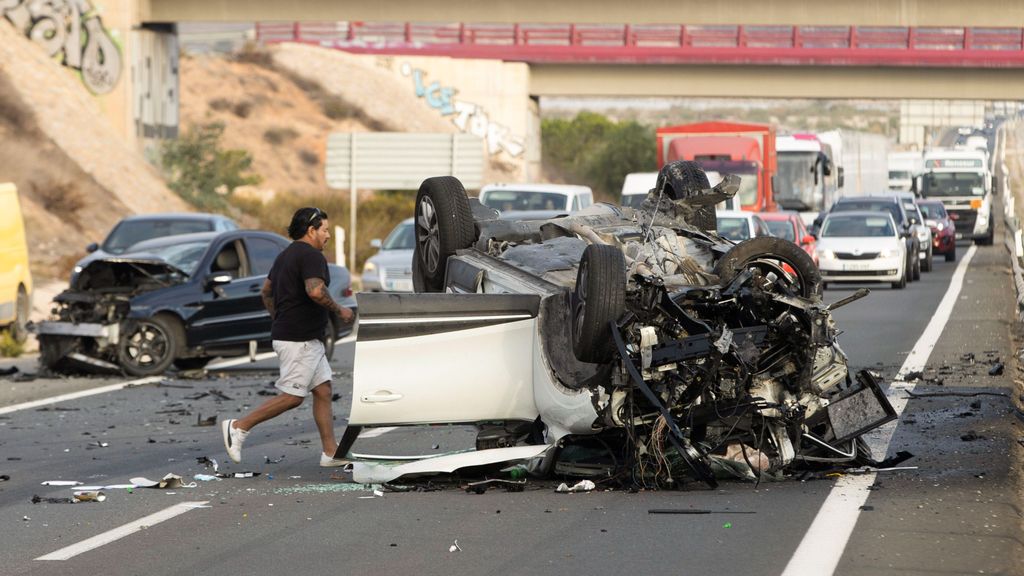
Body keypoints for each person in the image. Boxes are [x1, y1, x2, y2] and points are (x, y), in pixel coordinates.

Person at [221, 207, 355, 467]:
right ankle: (238, 427)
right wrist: (340, 310)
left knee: (324, 390)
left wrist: (278, 317)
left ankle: (330, 452)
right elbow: (315, 291)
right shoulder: (311, 256)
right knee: (293, 396)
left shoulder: (285, 255)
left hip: (299, 337)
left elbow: (266, 291)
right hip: (299, 339)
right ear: (311, 230)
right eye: (325, 230)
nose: (328, 235)